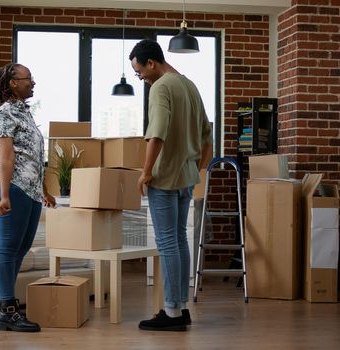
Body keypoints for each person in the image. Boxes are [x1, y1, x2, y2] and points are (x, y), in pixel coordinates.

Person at [130, 40, 212, 332]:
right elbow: (207, 133)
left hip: (164, 177)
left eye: (139, 72)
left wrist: (146, 171)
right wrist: (198, 166)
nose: (140, 78)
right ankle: (180, 307)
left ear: (151, 63)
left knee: (167, 243)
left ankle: (172, 313)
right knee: (179, 240)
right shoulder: (189, 85)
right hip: (187, 176)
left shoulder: (161, 87)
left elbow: (158, 132)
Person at [0, 63, 56, 332]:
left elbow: (33, 157)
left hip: (29, 190)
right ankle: (8, 311)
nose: (33, 83)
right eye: (29, 78)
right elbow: (7, 157)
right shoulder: (5, 114)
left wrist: (44, 191)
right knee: (7, 249)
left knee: (20, 248)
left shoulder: (23, 113)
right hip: (12, 188)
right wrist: (4, 196)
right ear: (13, 83)